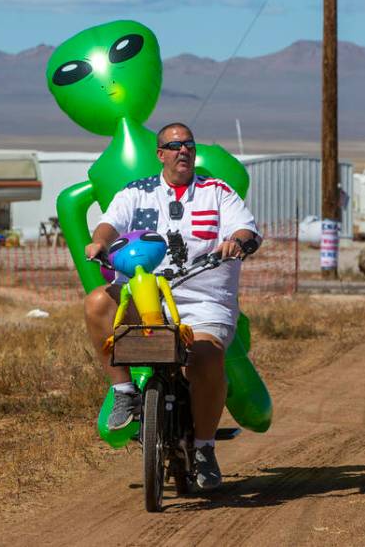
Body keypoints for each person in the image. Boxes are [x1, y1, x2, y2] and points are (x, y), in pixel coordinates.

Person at [84, 122, 261, 490]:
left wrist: (237, 242)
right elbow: (108, 225)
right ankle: (124, 395)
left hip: (204, 304)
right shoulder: (136, 192)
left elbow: (245, 229)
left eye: (189, 145)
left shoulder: (218, 192)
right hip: (145, 297)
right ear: (160, 153)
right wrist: (99, 243)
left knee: (207, 357)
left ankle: (204, 448)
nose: (184, 151)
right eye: (174, 145)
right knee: (99, 302)